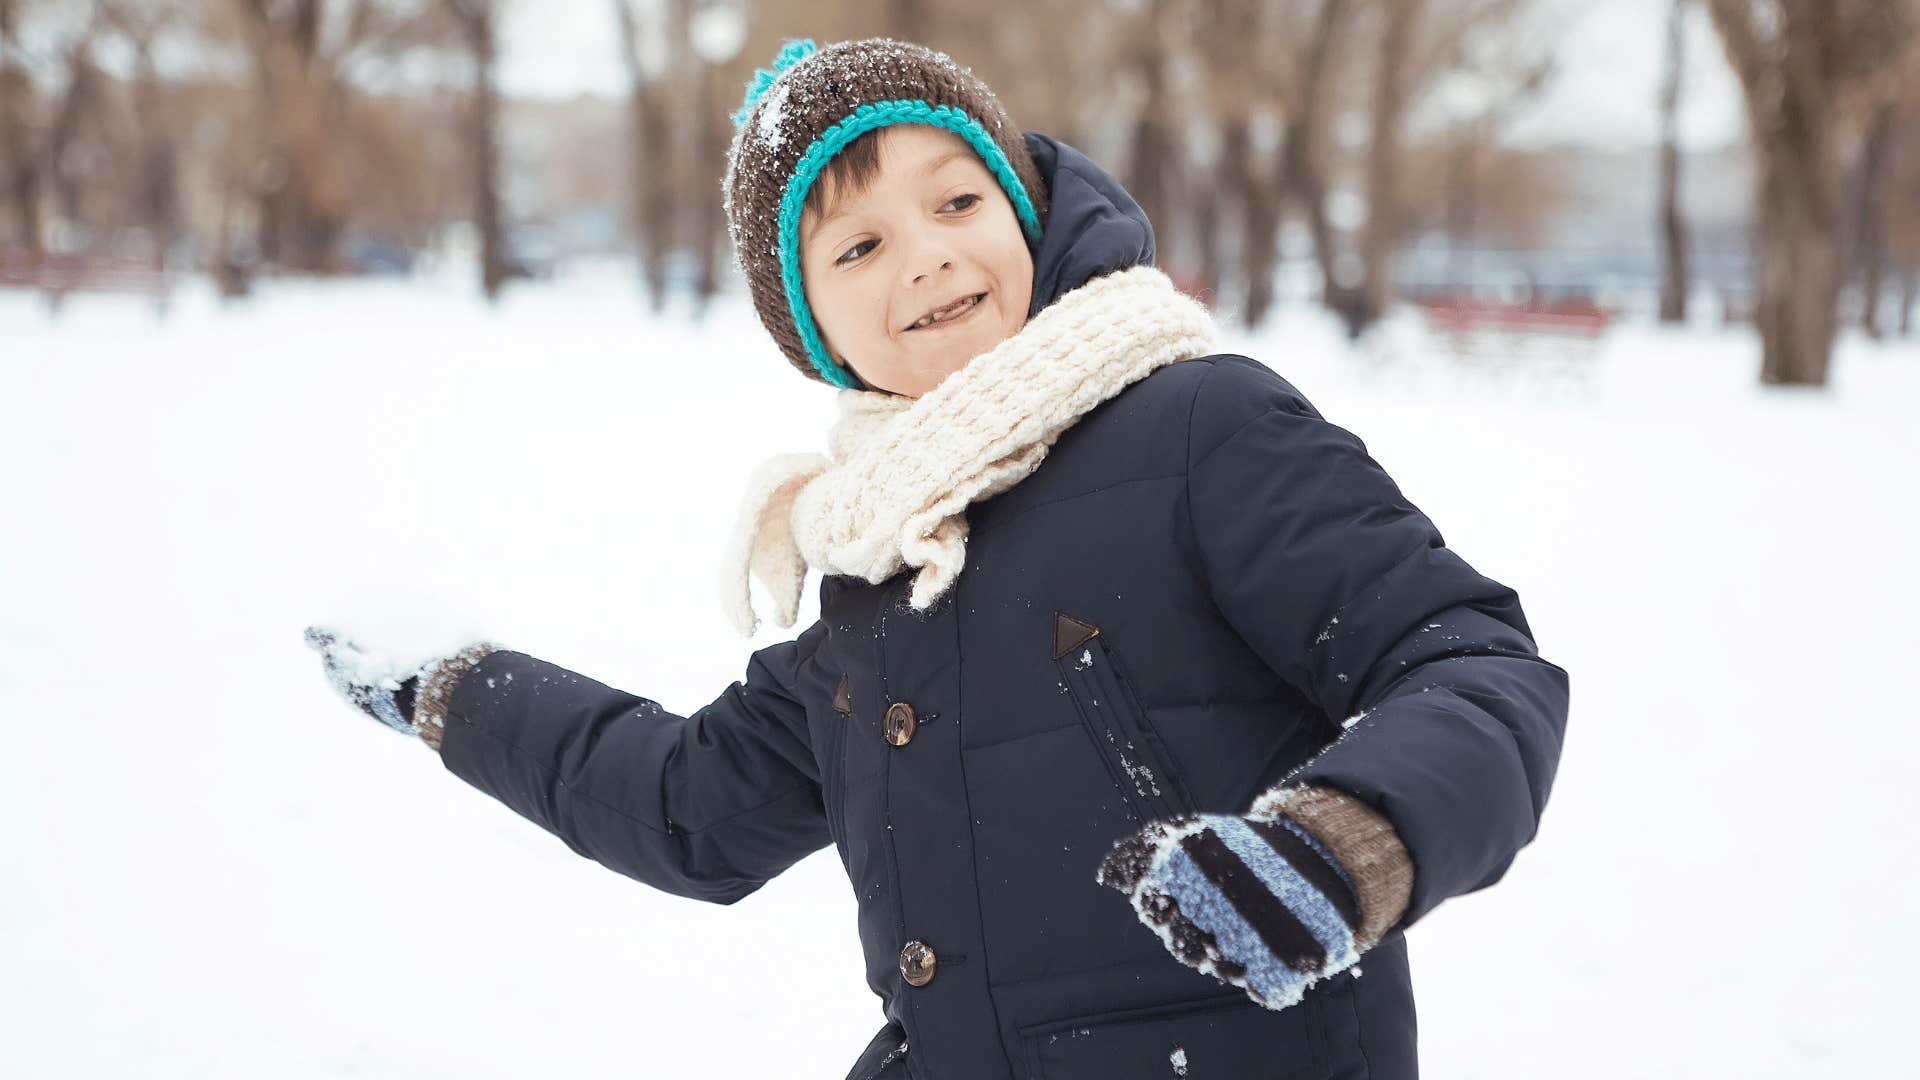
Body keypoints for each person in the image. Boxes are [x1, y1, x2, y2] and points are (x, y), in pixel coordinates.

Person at [305, 37, 1569, 1080]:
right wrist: (454, 691)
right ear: (815, 333)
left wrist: (1341, 849)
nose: (926, 253)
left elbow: (1470, 668)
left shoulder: (1201, 427)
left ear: (1022, 213)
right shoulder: (872, 572)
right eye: (856, 247)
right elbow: (688, 809)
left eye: (958, 200)